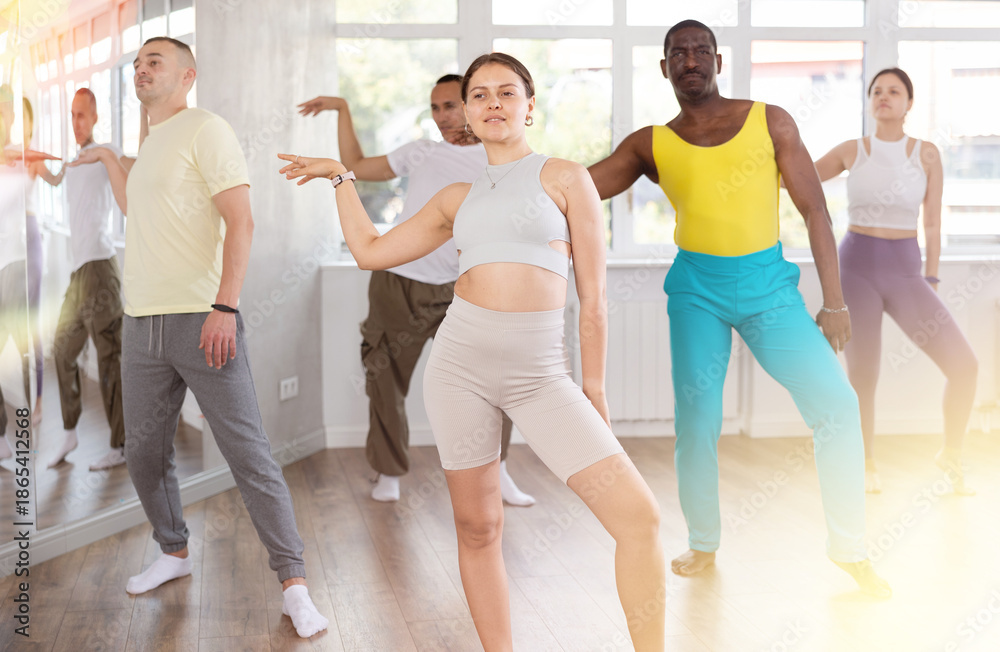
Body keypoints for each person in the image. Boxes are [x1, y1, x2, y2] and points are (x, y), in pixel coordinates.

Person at [280, 52, 666, 650]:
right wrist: (340, 177)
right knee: (478, 526)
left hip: (541, 376)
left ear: (529, 107)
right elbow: (370, 252)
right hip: (460, 368)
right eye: (478, 95)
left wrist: (594, 391)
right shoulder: (455, 197)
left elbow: (594, 301)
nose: (492, 104)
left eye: (506, 93)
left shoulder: (564, 177)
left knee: (639, 519)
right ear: (467, 111)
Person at [587, 20, 891, 597]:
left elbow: (815, 210)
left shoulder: (769, 119)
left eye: (702, 50)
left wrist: (834, 301)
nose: (691, 60)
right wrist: (515, 165)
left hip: (769, 290)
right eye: (679, 53)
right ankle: (703, 541)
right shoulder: (650, 142)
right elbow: (580, 186)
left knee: (837, 406)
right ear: (665, 67)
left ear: (719, 61)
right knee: (696, 423)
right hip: (696, 290)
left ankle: (851, 549)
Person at [70, 37, 328, 638]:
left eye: (152, 62)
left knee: (248, 455)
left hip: (202, 318)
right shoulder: (154, 142)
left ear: (187, 75)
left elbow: (243, 222)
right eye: (136, 65)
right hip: (143, 324)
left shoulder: (206, 129)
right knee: (144, 453)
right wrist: (111, 158)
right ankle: (174, 552)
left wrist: (225, 307)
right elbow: (138, 210)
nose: (140, 71)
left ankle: (295, 587)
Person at [297, 77, 534, 506]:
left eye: (451, 105)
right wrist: (343, 108)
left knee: (491, 380)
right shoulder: (422, 151)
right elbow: (354, 166)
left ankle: (496, 470)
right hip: (398, 282)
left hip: (464, 287)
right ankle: (388, 471)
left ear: (472, 105)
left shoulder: (499, 158)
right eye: (435, 107)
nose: (442, 116)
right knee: (384, 378)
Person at [812, 68, 977, 495]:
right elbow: (800, 180)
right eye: (877, 91)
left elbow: (933, 222)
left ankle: (951, 457)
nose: (884, 97)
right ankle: (865, 463)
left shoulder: (926, 154)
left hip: (905, 269)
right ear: (870, 102)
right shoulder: (853, 151)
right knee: (862, 376)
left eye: (894, 91)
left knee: (965, 366)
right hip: (857, 268)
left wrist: (932, 276)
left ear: (909, 104)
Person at [35, 88, 128, 471]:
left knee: (109, 360)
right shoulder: (76, 159)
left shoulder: (106, 152)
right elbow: (56, 180)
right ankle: (70, 430)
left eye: (83, 116)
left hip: (100, 269)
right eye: (72, 115)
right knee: (61, 348)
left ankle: (120, 446)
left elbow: (128, 168)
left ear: (95, 117)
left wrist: (111, 152)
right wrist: (37, 162)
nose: (76, 123)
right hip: (79, 273)